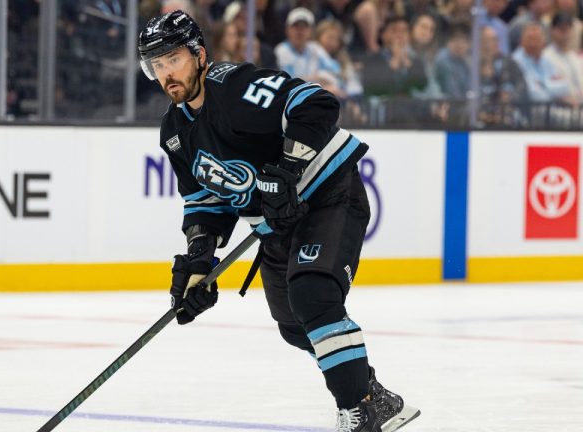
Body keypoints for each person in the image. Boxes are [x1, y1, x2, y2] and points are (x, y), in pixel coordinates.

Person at [138, 10, 421, 432]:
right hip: (279, 222)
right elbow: (205, 199)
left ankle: (360, 416)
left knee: (312, 296)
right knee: (292, 323)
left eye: (173, 60)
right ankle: (372, 395)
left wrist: (287, 170)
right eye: (156, 66)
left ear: (199, 55)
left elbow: (318, 104)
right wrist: (200, 260)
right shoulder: (174, 131)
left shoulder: (234, 87)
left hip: (328, 195)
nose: (166, 74)